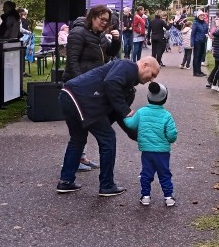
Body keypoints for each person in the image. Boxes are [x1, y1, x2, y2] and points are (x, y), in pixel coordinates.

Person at [56, 57, 160, 196]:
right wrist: (125, 110)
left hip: (69, 96)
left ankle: (66, 182)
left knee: (78, 139)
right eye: (152, 74)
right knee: (108, 138)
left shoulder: (128, 90)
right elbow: (111, 83)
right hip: (81, 97)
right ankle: (107, 185)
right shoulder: (128, 66)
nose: (152, 79)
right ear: (144, 65)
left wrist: (139, 136)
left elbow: (120, 116)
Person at [64, 5, 122, 171]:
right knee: (83, 131)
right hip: (77, 88)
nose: (104, 23)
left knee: (80, 132)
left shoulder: (101, 36)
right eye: (102, 19)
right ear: (92, 17)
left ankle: (76, 163)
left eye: (107, 21)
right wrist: (80, 83)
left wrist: (117, 40)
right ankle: (76, 162)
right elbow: (72, 61)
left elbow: (110, 52)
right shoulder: (78, 33)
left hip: (92, 86)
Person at [123, 82, 179, 207]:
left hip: (146, 151)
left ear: (148, 96)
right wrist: (169, 140)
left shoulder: (141, 112)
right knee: (164, 174)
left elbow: (131, 124)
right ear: (164, 99)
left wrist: (126, 117)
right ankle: (168, 197)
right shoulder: (167, 116)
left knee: (146, 173)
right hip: (162, 152)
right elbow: (172, 135)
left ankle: (146, 196)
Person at [207, 19, 219, 91]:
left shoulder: (216, 32)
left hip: (217, 53)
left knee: (217, 68)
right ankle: (218, 85)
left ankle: (213, 82)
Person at [191, 11, 209, 76]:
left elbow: (206, 31)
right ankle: (195, 72)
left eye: (203, 15)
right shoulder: (195, 23)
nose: (202, 16)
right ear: (198, 16)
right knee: (196, 57)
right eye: (200, 15)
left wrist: (207, 35)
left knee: (201, 57)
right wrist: (192, 44)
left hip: (203, 41)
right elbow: (192, 34)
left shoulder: (205, 23)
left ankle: (199, 71)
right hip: (197, 41)